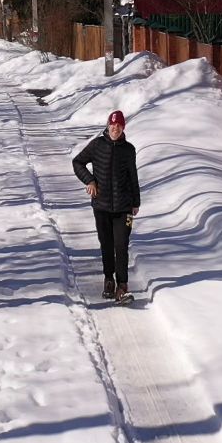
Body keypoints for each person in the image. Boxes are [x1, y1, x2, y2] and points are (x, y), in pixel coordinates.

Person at [72, 110, 140, 303]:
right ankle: (108, 279)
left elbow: (133, 176)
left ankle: (122, 287)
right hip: (101, 206)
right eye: (112, 125)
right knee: (107, 244)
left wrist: (136, 202)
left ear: (123, 128)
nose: (115, 128)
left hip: (124, 207)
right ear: (107, 126)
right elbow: (77, 163)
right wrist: (90, 181)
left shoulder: (128, 149)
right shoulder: (97, 145)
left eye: (119, 126)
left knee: (121, 245)